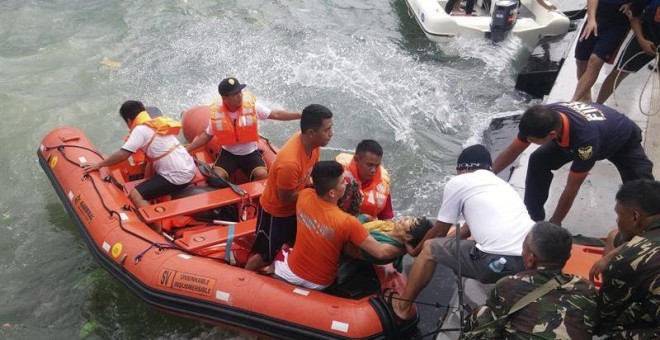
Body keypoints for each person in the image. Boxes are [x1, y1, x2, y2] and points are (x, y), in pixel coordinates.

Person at [391, 144, 534, 320]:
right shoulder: (502, 186)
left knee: (429, 248)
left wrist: (416, 251)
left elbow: (439, 232)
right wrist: (444, 247)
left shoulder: (459, 182)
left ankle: (402, 307)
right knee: (442, 246)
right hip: (528, 261)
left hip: (495, 264)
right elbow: (465, 230)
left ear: (463, 169)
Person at [492, 101, 654, 224]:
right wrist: (486, 176)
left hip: (621, 140)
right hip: (590, 131)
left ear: (552, 135)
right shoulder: (545, 116)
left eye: (532, 140)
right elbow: (513, 150)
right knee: (538, 159)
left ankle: (644, 230)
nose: (527, 142)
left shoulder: (585, 141)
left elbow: (572, 187)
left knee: (643, 191)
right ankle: (532, 217)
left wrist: (554, 224)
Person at [272, 161, 403, 290]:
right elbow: (381, 252)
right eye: (342, 182)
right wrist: (406, 249)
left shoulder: (304, 196)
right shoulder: (347, 222)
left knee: (282, 251)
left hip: (292, 271)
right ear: (332, 193)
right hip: (321, 282)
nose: (346, 183)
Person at [464, 222, 598, 339]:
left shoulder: (508, 285)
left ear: (530, 259)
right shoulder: (586, 288)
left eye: (524, 248)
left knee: (483, 314)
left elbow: (495, 320)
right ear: (568, 256)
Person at [244, 104, 334, 271]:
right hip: (276, 213)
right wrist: (316, 193)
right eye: (327, 129)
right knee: (265, 256)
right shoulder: (290, 163)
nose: (331, 133)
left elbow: (309, 176)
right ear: (311, 133)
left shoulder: (313, 147)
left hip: (296, 209)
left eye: (331, 128)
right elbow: (285, 198)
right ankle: (244, 278)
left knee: (293, 246)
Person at [83, 100, 196, 232]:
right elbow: (151, 159)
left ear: (129, 120)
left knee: (135, 195)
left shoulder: (140, 130)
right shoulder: (156, 123)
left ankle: (156, 228)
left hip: (177, 177)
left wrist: (99, 164)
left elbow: (123, 155)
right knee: (151, 186)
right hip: (190, 170)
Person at [185, 77, 301, 181]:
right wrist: (188, 149)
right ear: (225, 98)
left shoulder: (253, 107)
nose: (240, 95)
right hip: (229, 154)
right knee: (215, 179)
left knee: (262, 175)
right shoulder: (218, 114)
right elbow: (206, 135)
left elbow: (276, 114)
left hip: (250, 153)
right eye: (235, 94)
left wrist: (300, 115)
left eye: (240, 91)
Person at [595, 179, 660, 338]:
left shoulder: (628, 260)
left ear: (636, 217)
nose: (617, 221)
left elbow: (605, 316)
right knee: (613, 236)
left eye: (619, 215)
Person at [596, 0, 660, 103]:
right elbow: (634, 15)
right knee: (618, 73)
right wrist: (641, 40)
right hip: (646, 36)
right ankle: (597, 105)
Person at [571, 0, 631, 102]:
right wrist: (591, 19)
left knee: (595, 61)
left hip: (619, 21)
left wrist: (633, 4)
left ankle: (573, 102)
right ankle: (586, 96)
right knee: (581, 60)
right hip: (598, 14)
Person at [342, 215, 433, 272]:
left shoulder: (388, 249)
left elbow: (351, 236)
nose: (406, 217)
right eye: (411, 218)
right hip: (353, 231)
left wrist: (363, 218)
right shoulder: (392, 228)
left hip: (343, 245)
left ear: (408, 237)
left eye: (410, 221)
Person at [335, 140, 394, 221]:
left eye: (377, 165)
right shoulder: (338, 170)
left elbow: (386, 218)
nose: (373, 170)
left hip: (363, 228)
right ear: (356, 160)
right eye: (369, 165)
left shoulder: (383, 185)